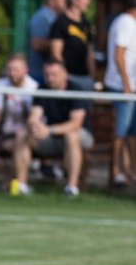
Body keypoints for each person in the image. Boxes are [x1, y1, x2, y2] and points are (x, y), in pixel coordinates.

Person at [13, 59, 92, 198]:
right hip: (51, 137)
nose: (50, 78)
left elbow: (75, 124)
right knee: (22, 134)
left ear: (65, 74)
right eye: (47, 75)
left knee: (71, 136)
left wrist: (49, 130)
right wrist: (35, 126)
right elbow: (34, 115)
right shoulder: (42, 89)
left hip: (78, 136)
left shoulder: (76, 89)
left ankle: (71, 188)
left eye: (54, 74)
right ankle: (21, 186)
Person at [0, 53, 38, 185]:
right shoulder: (0, 84)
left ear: (25, 70)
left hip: (26, 134)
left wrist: (17, 141)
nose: (12, 73)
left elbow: (33, 118)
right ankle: (10, 178)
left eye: (16, 70)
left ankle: (20, 184)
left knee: (20, 141)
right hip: (4, 133)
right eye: (10, 69)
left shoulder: (34, 87)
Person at [104, 0, 136, 186]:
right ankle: (116, 171)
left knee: (131, 131)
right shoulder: (125, 23)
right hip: (122, 87)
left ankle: (130, 170)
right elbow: (119, 54)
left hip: (130, 87)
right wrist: (126, 84)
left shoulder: (129, 22)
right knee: (120, 131)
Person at [50, 0, 95, 91]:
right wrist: (64, 75)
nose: (88, 2)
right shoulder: (60, 22)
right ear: (74, 0)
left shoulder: (86, 24)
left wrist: (92, 76)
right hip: (68, 77)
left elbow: (89, 53)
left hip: (85, 77)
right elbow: (56, 53)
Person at [28, 0, 66, 84]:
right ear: (51, 0)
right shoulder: (43, 17)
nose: (66, 2)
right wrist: (59, 44)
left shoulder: (55, 17)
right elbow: (36, 44)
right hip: (40, 73)